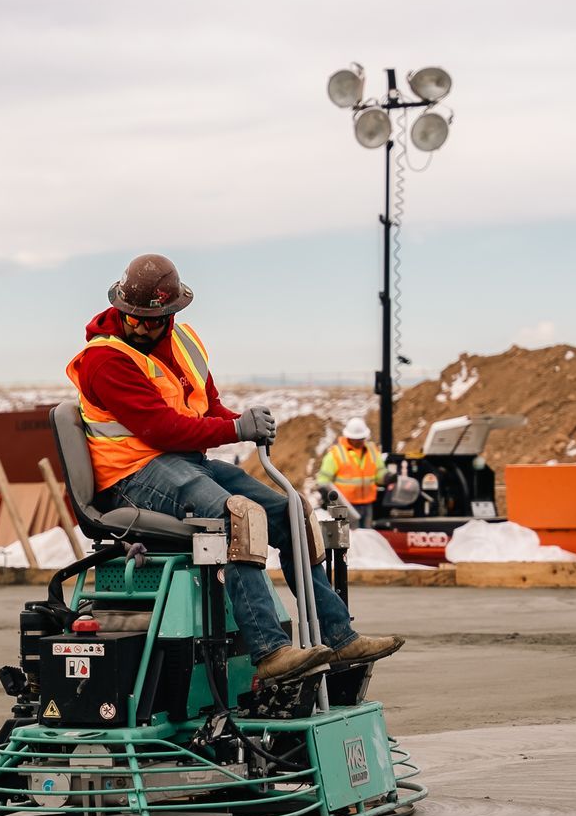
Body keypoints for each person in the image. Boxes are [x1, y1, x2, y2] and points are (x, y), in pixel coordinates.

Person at [66, 253, 403, 683]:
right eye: (132, 318)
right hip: (132, 477)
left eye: (152, 320)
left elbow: (206, 409)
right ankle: (269, 650)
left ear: (170, 314)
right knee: (236, 516)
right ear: (121, 308)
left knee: (289, 513)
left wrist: (239, 422)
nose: (140, 327)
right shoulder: (104, 360)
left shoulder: (185, 342)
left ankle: (339, 636)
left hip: (184, 463)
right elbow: (162, 429)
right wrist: (235, 430)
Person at [316, 417, 384, 517]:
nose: (360, 441)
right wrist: (326, 493)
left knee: (366, 532)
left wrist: (387, 477)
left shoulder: (372, 450)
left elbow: (379, 474)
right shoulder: (336, 454)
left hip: (367, 504)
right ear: (349, 437)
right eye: (357, 439)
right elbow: (323, 479)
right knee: (348, 532)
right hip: (345, 505)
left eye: (362, 438)